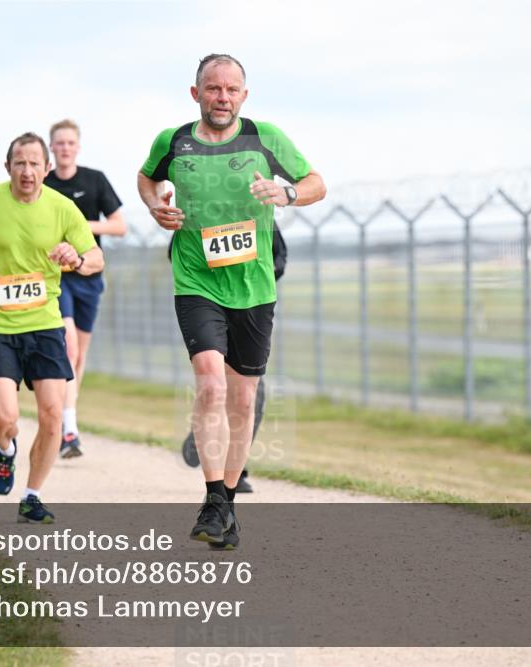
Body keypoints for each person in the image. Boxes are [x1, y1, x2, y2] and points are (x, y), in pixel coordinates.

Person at [138, 54, 325, 549]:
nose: (222, 97)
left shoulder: (265, 138)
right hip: (196, 279)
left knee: (243, 399)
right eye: (213, 88)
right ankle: (212, 495)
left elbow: (316, 184)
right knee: (210, 383)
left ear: (244, 95)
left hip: (255, 286)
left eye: (232, 90)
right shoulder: (172, 141)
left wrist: (286, 194)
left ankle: (225, 504)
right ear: (195, 93)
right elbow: (147, 178)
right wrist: (158, 204)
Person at [0, 132, 102, 524]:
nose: (28, 171)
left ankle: (32, 495)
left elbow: (95, 256)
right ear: (8, 168)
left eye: (36, 163)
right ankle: (5, 450)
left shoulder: (63, 208)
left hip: (45, 325)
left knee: (52, 414)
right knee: (5, 419)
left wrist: (78, 258)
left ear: (47, 169)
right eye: (20, 163)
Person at [176, 221, 289, 493]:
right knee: (214, 388)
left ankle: (235, 470)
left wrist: (251, 273)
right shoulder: (200, 209)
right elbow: (176, 252)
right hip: (207, 305)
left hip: (248, 309)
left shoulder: (263, 219)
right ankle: (219, 483)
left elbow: (279, 259)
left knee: (248, 398)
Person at [44, 119, 126, 458]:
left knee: (79, 360)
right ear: (51, 148)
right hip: (54, 278)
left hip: (89, 276)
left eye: (69, 143)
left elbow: (119, 226)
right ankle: (69, 430)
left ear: (78, 147)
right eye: (58, 143)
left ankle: (64, 419)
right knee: (70, 349)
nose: (64, 148)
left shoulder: (94, 180)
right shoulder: (43, 183)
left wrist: (79, 226)